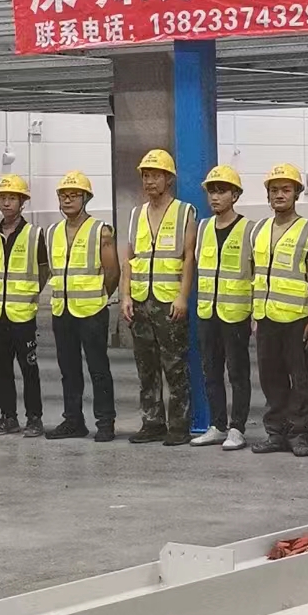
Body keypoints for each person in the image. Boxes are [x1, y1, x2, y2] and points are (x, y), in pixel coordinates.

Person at [120, 149, 197, 446]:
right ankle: (152, 422)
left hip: (169, 302)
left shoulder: (184, 212)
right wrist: (125, 295)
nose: (150, 181)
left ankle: (179, 426)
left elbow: (189, 258)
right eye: (146, 176)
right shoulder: (136, 214)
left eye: (156, 176)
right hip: (140, 301)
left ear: (169, 179)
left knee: (175, 366)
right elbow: (129, 259)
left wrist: (182, 297)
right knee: (146, 367)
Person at [251, 163, 308, 457]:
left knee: (300, 379)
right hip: (266, 317)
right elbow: (255, 274)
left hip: (297, 319)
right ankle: (276, 433)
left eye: (286, 189)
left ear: (297, 194)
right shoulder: (258, 230)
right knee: (271, 378)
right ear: (268, 195)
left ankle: (299, 434)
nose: (279, 195)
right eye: (274, 190)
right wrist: (254, 315)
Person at [46, 171, 119, 441]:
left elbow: (112, 272)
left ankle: (105, 423)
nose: (67, 200)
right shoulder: (52, 232)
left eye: (74, 195)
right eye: (63, 195)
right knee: (68, 370)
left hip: (92, 311)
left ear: (86, 198)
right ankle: (73, 421)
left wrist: (99, 296)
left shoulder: (101, 231)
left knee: (98, 369)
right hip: (62, 310)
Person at [191, 165, 254, 452]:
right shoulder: (203, 228)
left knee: (237, 373)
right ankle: (217, 425)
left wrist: (255, 313)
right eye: (212, 192)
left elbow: (257, 273)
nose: (215, 197)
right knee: (211, 371)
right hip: (208, 313)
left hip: (236, 314)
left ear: (235, 195)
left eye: (222, 191)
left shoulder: (249, 229)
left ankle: (237, 427)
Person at [0, 174, 49, 436]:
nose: (6, 203)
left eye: (12, 198)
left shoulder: (34, 234)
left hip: (22, 314)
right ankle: (8, 416)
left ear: (23, 202)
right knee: (1, 369)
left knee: (29, 368)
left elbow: (43, 270)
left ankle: (34, 418)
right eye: (2, 198)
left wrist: (29, 292)